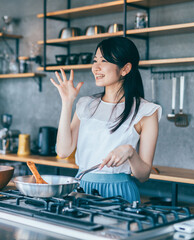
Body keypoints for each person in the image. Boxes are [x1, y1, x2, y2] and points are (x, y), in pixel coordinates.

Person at [50, 37, 162, 203]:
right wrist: (67, 102)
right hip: (82, 189)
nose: (96, 67)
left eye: (104, 60)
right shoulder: (85, 104)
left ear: (125, 69)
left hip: (120, 193)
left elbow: (144, 175)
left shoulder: (146, 111)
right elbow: (63, 151)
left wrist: (131, 153)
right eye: (95, 60)